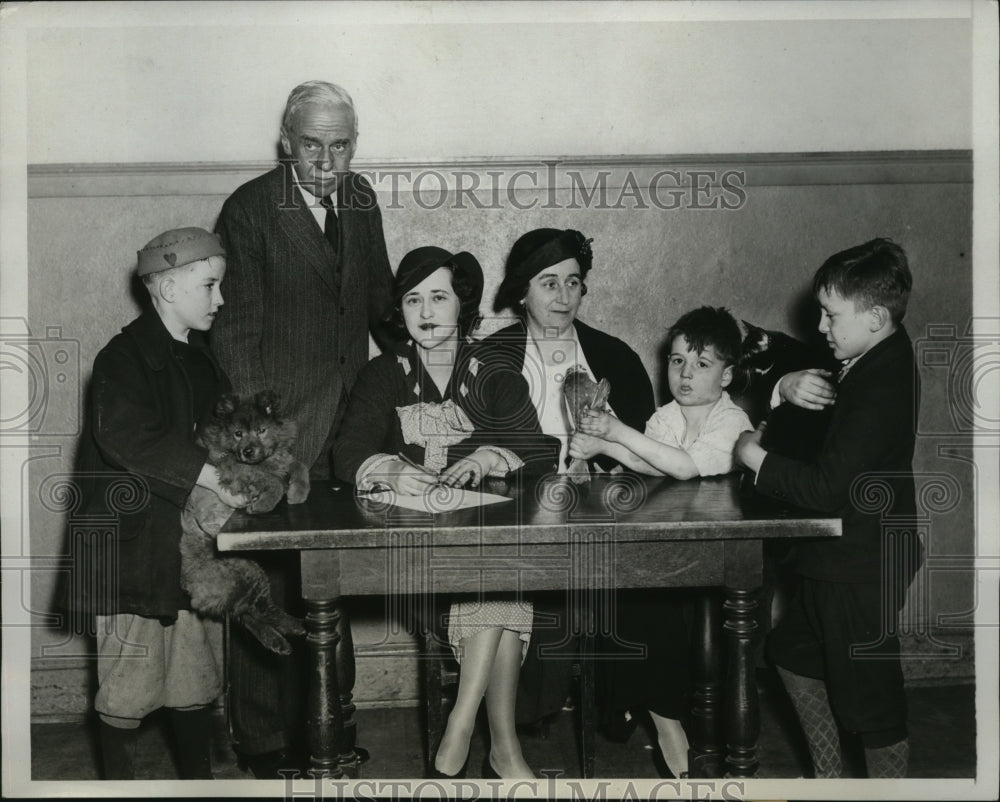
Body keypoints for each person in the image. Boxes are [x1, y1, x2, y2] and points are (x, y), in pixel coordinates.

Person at [210, 80, 394, 777]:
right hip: (278, 431)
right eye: (312, 145)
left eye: (340, 145)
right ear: (287, 142)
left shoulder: (362, 198)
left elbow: (377, 297)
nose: (326, 160)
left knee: (326, 583)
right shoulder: (251, 210)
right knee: (265, 586)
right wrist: (265, 446)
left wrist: (433, 339)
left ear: (355, 143)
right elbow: (235, 335)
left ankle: (326, 730)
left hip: (349, 426)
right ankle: (262, 743)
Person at [332, 246, 559, 778]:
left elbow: (543, 450)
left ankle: (467, 722)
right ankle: (500, 745)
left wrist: (489, 455)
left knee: (498, 576)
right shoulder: (384, 373)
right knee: (502, 583)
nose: (427, 311)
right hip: (411, 562)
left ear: (463, 305)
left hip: (486, 550)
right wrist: (388, 470)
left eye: (439, 296)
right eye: (413, 299)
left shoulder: (492, 372)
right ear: (400, 311)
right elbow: (345, 455)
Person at [735, 238, 922, 778]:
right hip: (840, 557)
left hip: (859, 564)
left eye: (830, 315)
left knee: (872, 706)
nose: (820, 326)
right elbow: (798, 363)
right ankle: (829, 778)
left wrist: (755, 456)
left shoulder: (881, 383)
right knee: (793, 653)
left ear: (876, 316)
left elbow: (823, 488)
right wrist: (784, 383)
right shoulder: (873, 349)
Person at [71, 227, 247, 779]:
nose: (220, 299)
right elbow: (127, 437)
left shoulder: (200, 360)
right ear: (168, 288)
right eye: (210, 286)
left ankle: (199, 786)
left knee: (194, 674)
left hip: (186, 551)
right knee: (129, 682)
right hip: (132, 553)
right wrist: (215, 476)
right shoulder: (121, 359)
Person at [484, 228, 658, 737]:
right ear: (522, 291)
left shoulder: (614, 356)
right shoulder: (492, 358)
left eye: (573, 283)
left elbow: (643, 447)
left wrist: (603, 461)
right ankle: (530, 710)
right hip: (516, 513)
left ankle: (628, 702)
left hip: (607, 507)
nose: (563, 297)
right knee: (545, 579)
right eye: (548, 283)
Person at [570, 305, 753, 777]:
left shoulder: (732, 423)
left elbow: (685, 467)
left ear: (727, 374)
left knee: (659, 606)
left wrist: (616, 431)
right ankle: (663, 718)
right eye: (676, 361)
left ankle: (661, 715)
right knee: (630, 592)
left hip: (724, 557)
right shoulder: (666, 417)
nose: (685, 374)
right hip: (674, 550)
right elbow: (652, 465)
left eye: (702, 365)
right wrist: (603, 446)